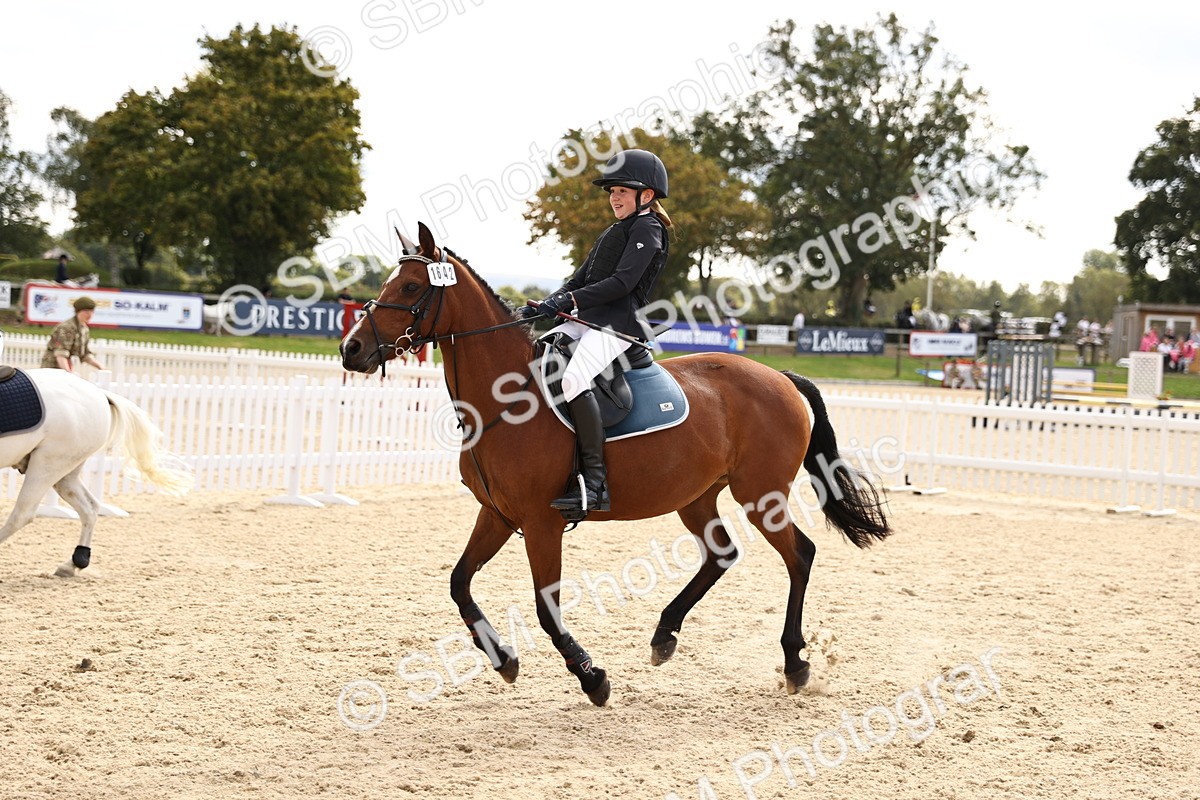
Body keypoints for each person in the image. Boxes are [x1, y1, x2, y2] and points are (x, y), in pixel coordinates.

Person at [515, 149, 672, 519]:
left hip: (617, 326)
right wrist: (546, 305)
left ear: (646, 195)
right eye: (612, 192)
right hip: (588, 319)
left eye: (621, 191)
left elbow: (622, 283)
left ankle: (595, 484)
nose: (614, 197)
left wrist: (568, 300)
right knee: (535, 359)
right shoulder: (615, 230)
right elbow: (582, 278)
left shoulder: (649, 229)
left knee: (572, 380)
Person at [41, 296, 105, 372]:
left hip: (65, 367)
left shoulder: (84, 329)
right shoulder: (67, 327)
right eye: (86, 311)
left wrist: (101, 367)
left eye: (92, 311)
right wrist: (68, 374)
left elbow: (84, 354)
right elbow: (60, 354)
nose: (89, 315)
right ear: (78, 311)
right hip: (52, 368)